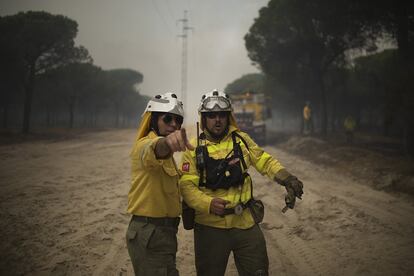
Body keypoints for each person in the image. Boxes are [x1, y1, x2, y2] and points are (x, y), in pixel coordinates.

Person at [179, 89, 304, 276]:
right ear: (203, 118)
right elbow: (187, 187)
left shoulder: (242, 140)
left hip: (245, 224)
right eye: (211, 115)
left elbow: (264, 161)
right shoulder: (193, 149)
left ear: (228, 116)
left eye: (222, 114)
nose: (217, 119)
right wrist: (209, 204)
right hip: (210, 228)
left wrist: (287, 178)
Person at [126, 92, 194, 276]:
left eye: (178, 120)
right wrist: (167, 143)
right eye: (168, 119)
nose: (174, 124)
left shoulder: (170, 159)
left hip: (162, 233)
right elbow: (156, 148)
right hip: (151, 233)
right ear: (154, 120)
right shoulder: (145, 145)